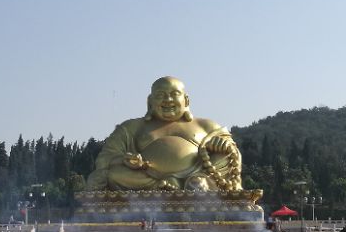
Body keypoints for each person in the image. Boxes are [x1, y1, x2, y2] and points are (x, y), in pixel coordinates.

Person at [85, 76, 243, 191]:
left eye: (174, 94)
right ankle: (171, 186)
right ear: (150, 102)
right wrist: (125, 160)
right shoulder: (131, 127)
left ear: (186, 101)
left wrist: (222, 146)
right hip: (145, 179)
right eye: (160, 95)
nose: (167, 100)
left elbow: (233, 154)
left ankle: (197, 183)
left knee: (226, 157)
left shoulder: (207, 125)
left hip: (197, 175)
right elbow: (105, 159)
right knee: (113, 175)